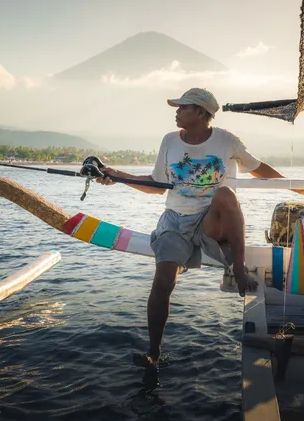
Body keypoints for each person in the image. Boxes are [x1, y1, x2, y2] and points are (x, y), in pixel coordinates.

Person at [96, 87, 285, 377]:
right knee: (162, 280)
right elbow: (156, 185)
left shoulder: (226, 140)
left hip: (211, 220)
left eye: (182, 107)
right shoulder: (170, 141)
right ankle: (154, 353)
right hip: (175, 221)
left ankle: (238, 267)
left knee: (226, 194)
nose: (176, 111)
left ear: (200, 112)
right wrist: (117, 176)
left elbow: (258, 169)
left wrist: (298, 186)